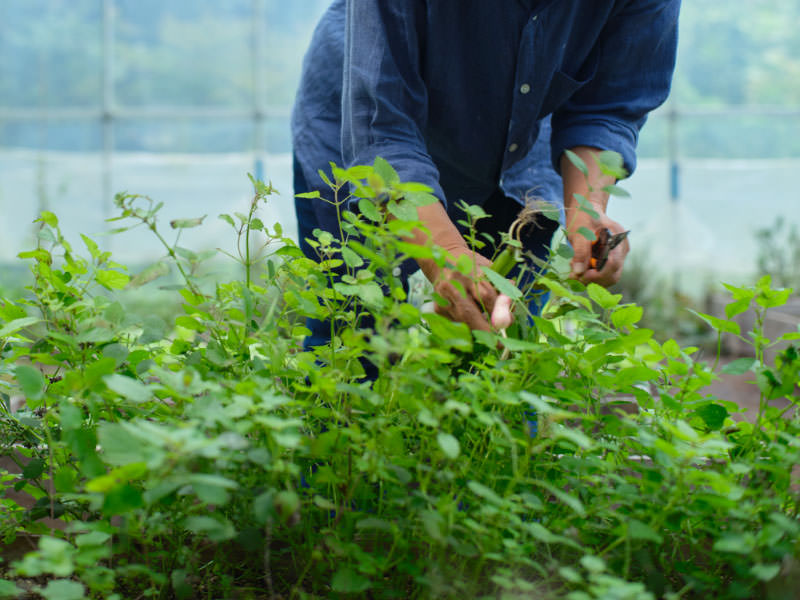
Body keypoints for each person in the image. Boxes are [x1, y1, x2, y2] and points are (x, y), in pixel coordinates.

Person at [292, 0, 681, 338]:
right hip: (364, 127)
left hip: (524, 149)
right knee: (354, 340)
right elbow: (382, 129)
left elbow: (607, 106)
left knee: (502, 343)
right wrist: (444, 252)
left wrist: (586, 211)